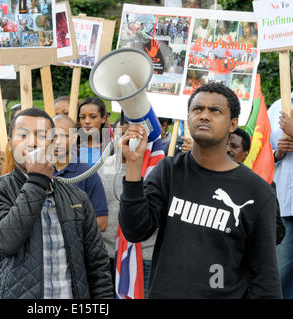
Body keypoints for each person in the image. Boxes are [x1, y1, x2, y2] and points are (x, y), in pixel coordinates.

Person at [119, 82, 282, 298]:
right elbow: (135, 231)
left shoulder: (258, 192)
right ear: (188, 118)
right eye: (198, 109)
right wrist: (133, 167)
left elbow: (266, 278)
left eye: (215, 110)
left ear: (233, 124)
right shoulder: (168, 171)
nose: (204, 116)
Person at [0, 108, 113, 298]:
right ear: (9, 144)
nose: (32, 142)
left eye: (41, 135)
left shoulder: (77, 197)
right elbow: (5, 243)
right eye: (22, 135)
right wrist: (36, 181)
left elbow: (98, 266)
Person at [99, 119, 157, 293]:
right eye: (123, 133)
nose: (128, 138)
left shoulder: (157, 169)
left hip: (142, 258)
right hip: (106, 255)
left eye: (134, 134)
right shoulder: (103, 165)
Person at [227, 128, 285, 246]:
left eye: (233, 146)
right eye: (223, 145)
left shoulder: (261, 185)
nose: (227, 149)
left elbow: (277, 233)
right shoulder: (204, 178)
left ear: (245, 154)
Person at [53, 114, 108, 232]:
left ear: (74, 138)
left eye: (63, 136)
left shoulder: (87, 173)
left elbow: (101, 223)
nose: (57, 141)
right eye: (53, 136)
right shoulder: (39, 171)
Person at [268, 64, 293, 298]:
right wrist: (278, 152)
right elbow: (260, 153)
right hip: (286, 205)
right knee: (281, 273)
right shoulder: (277, 107)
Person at [77, 97, 108, 165]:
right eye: (82, 117)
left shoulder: (111, 148)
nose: (87, 121)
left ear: (103, 119)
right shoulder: (73, 147)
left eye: (93, 117)